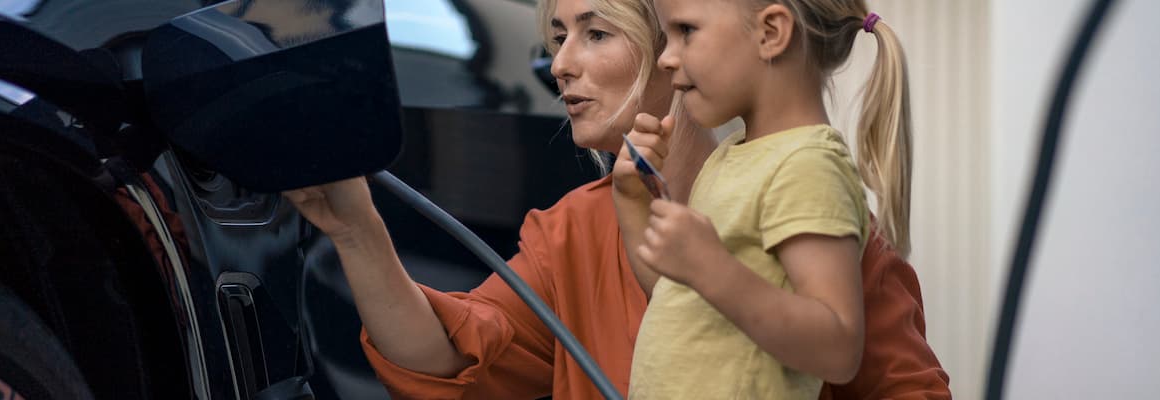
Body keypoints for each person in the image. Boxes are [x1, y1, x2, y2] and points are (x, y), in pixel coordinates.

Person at [282, 0, 950, 398]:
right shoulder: (575, 227)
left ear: (673, 41)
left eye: (595, 33)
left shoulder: (808, 208)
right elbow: (449, 356)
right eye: (557, 39)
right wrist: (358, 234)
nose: (560, 66)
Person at [618, 0, 918, 399]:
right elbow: (676, 296)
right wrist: (631, 198)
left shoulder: (807, 165)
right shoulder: (731, 156)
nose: (665, 58)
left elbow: (839, 349)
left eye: (686, 31)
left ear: (771, 32)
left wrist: (713, 269)